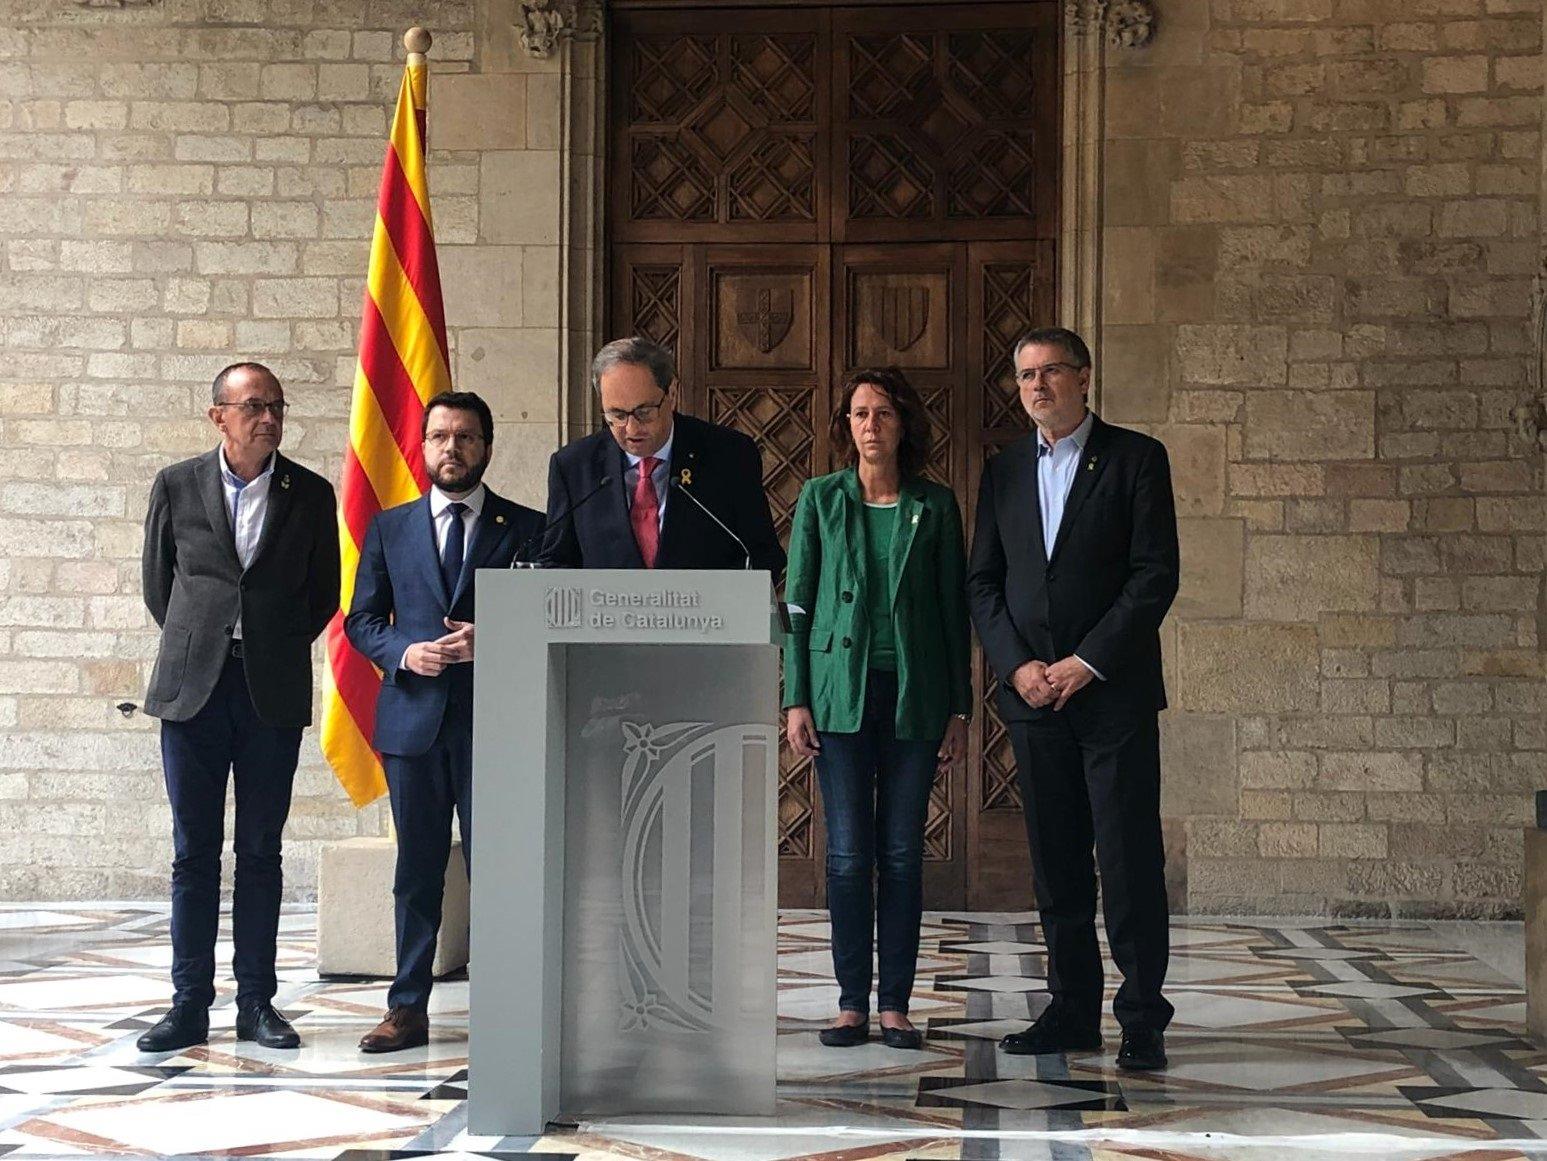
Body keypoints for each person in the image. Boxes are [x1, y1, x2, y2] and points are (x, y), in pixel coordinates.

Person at [965, 327, 1179, 1072]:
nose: (1036, 385)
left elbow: (1154, 575)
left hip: (1110, 694)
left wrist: (1085, 662)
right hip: (1033, 699)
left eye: (1050, 370)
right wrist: (1018, 664)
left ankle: (1142, 1015)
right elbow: (982, 583)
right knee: (1055, 864)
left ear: (1084, 377)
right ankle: (1070, 1009)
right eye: (1024, 375)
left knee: (1126, 860)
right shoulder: (1001, 471)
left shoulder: (1136, 459)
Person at [138, 362, 340, 1053]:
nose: (268, 418)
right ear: (217, 415)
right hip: (192, 691)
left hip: (269, 691)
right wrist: (208, 639)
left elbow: (322, 594)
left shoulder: (310, 492)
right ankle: (188, 1002)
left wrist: (267, 644)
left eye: (276, 406)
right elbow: (160, 586)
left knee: (260, 851)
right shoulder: (176, 483)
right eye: (253, 406)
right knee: (193, 853)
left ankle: (257, 1002)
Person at [344, 391, 543, 1053]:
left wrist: (499, 636)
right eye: (438, 436)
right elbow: (362, 620)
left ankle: (509, 1004)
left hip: (498, 723)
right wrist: (405, 651)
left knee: (501, 867)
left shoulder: (530, 527)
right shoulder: (389, 527)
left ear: (486, 446)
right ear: (421, 446)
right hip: (412, 725)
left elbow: (552, 616)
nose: (450, 448)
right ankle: (406, 1007)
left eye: (464, 436)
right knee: (417, 870)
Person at [783, 368, 971, 1051]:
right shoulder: (820, 498)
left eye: (883, 413)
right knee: (845, 854)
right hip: (837, 696)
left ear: (902, 425)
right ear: (846, 426)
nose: (870, 425)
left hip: (913, 697)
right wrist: (794, 694)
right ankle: (848, 1003)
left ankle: (894, 1003)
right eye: (859, 414)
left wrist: (959, 707)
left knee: (898, 853)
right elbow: (796, 603)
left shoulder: (936, 504)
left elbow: (954, 610)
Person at [538, 336, 784, 577]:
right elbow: (556, 563)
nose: (632, 429)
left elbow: (763, 557)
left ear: (673, 393)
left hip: (704, 614)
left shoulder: (730, 455)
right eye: (617, 415)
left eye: (644, 412)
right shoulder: (573, 466)